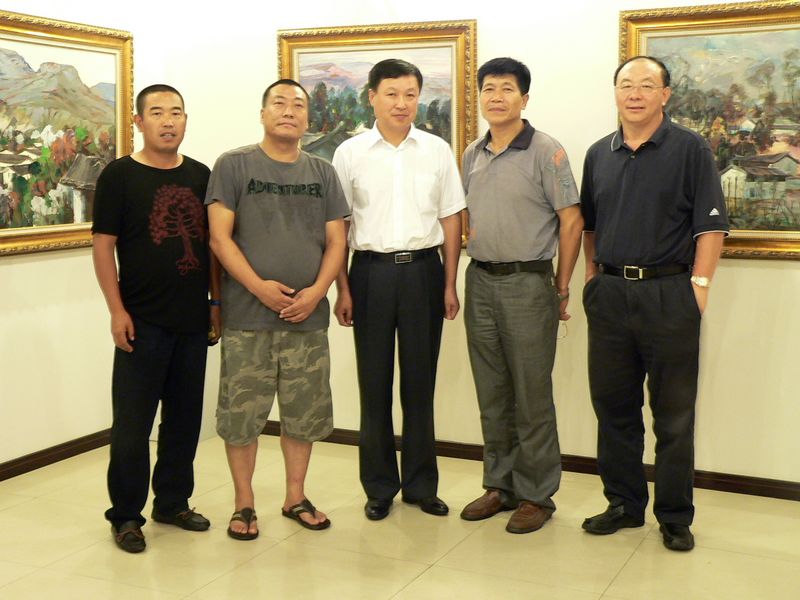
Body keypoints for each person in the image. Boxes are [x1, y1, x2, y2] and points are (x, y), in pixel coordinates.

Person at [580, 56, 729, 551]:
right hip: (610, 296)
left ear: (665, 94)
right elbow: (591, 225)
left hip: (670, 294)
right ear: (615, 92)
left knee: (673, 415)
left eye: (647, 85)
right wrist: (592, 278)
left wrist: (698, 288)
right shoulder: (599, 153)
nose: (635, 93)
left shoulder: (690, 149)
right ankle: (624, 504)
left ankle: (674, 516)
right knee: (613, 408)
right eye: (626, 84)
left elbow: (710, 226)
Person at [206, 79, 348, 540]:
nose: (289, 111)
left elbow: (337, 241)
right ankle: (243, 504)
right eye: (279, 103)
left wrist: (317, 292)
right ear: (263, 113)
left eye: (298, 105)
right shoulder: (234, 165)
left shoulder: (323, 172)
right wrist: (259, 289)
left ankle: (295, 497)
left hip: (307, 318)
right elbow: (219, 238)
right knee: (242, 417)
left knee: (303, 413)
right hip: (248, 318)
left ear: (308, 118)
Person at [332, 59, 465, 521]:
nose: (402, 103)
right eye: (391, 93)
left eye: (410, 94)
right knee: (373, 385)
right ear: (372, 97)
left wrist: (449, 282)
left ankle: (422, 486)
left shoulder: (436, 150)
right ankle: (379, 487)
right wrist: (342, 288)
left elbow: (452, 218)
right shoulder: (350, 153)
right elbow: (338, 226)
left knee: (419, 385)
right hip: (369, 273)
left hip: (424, 273)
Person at [93, 84, 220, 554]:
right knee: (132, 426)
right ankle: (126, 515)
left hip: (192, 319)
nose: (168, 121)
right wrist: (116, 310)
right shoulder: (119, 176)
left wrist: (216, 303)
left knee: (184, 421)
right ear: (139, 121)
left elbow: (213, 247)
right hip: (140, 321)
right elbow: (103, 247)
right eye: (158, 113)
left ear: (186, 120)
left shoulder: (202, 176)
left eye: (177, 112)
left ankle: (172, 502)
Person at [458, 58, 583, 534]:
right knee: (492, 391)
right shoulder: (472, 153)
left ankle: (536, 494)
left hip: (529, 283)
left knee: (531, 394)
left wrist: (561, 285)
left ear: (524, 99)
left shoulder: (546, 150)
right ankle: (500, 484)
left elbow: (571, 220)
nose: (496, 97)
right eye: (488, 88)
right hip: (480, 281)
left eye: (507, 89)